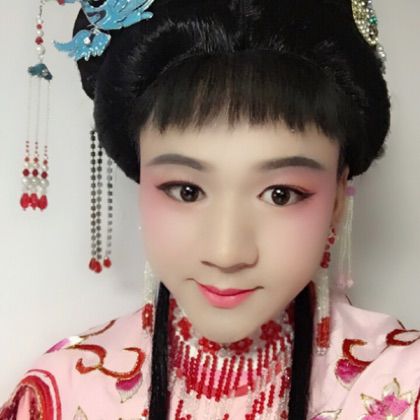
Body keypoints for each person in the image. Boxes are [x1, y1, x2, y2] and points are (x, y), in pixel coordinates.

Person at [1, 0, 419, 419]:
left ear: (337, 198)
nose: (226, 253)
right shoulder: (66, 392)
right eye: (186, 191)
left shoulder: (400, 383)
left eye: (281, 194)